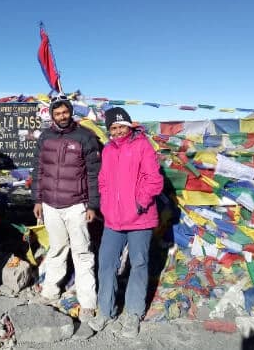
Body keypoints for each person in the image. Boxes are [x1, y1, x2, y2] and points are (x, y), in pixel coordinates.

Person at [88, 107, 164, 338]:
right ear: (109, 130)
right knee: (106, 263)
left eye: (122, 126)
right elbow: (103, 180)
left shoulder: (142, 146)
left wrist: (140, 202)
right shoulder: (109, 150)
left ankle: (133, 313)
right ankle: (105, 310)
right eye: (113, 127)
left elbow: (154, 180)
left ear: (129, 126)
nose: (118, 131)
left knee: (139, 264)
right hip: (113, 218)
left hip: (140, 218)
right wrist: (105, 204)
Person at [31, 96, 100, 322]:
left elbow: (93, 174)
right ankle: (50, 291)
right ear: (52, 115)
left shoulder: (85, 137)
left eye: (65, 112)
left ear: (71, 112)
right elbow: (38, 170)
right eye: (57, 113)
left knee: (82, 252)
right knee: (57, 249)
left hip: (76, 204)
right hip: (50, 204)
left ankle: (88, 301)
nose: (62, 116)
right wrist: (37, 200)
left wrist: (92, 205)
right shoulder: (45, 137)